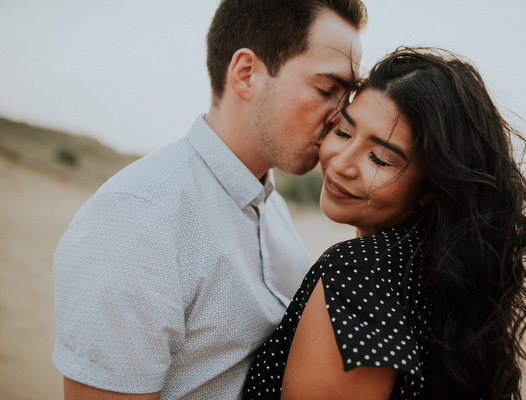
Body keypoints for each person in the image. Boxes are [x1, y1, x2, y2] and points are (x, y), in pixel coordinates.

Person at [52, 1, 366, 399]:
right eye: (326, 89)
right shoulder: (136, 221)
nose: (340, 117)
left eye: (348, 95)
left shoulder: (275, 210)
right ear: (246, 74)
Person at [242, 47, 526, 400]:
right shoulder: (438, 274)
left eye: (380, 158)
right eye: (344, 132)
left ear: (431, 187)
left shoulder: (356, 274)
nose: (341, 164)